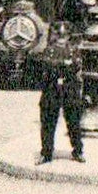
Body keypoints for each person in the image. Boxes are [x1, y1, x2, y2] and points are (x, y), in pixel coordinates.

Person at [36, 21, 85, 164]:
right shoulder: (49, 50)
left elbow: (75, 66)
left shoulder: (73, 50)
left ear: (69, 36)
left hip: (69, 89)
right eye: (59, 35)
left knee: (73, 122)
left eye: (65, 35)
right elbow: (46, 68)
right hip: (52, 90)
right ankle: (46, 152)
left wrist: (60, 66)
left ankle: (78, 150)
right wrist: (64, 65)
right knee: (48, 122)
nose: (62, 38)